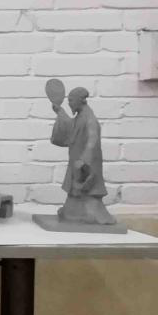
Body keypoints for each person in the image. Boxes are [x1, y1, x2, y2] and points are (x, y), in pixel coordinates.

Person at [49, 86, 115, 225]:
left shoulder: (90, 119)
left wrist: (84, 159)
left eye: (71, 100)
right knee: (75, 190)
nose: (69, 103)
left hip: (84, 162)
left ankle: (93, 215)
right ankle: (72, 213)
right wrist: (60, 112)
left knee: (86, 189)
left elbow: (92, 139)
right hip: (76, 158)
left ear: (81, 100)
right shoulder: (80, 117)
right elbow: (70, 126)